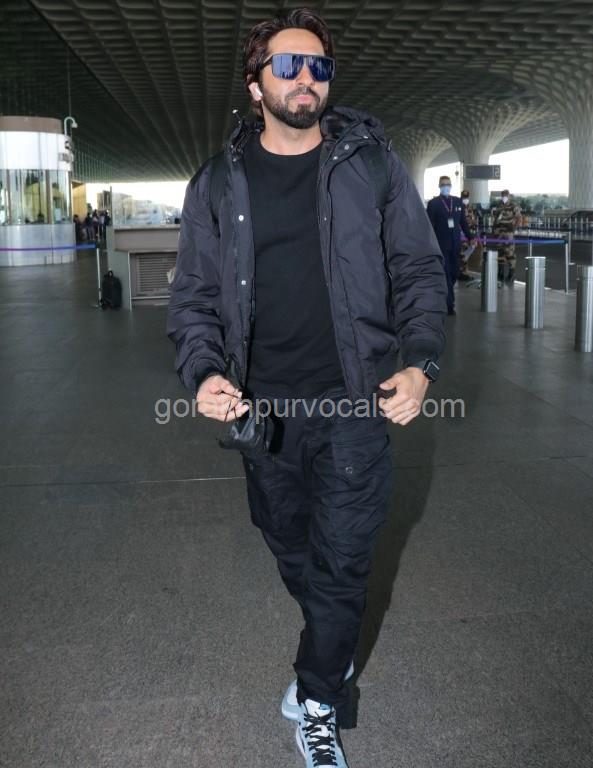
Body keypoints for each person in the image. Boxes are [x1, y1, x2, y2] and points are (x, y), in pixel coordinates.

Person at [167, 8, 447, 767]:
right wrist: (205, 372)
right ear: (254, 84)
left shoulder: (372, 167)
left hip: (355, 401)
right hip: (264, 413)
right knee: (291, 546)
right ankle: (331, 643)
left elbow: (419, 270)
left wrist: (420, 362)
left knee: (344, 562)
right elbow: (193, 297)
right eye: (287, 65)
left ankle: (318, 702)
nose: (305, 79)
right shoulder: (217, 183)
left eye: (318, 66)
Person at [426, 176, 473, 314]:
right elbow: (428, 226)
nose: (446, 187)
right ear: (439, 186)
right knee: (446, 273)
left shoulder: (457, 202)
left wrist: (470, 237)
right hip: (441, 244)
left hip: (455, 244)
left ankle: (443, 294)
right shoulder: (434, 204)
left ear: (451, 186)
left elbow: (463, 222)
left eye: (448, 184)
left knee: (454, 273)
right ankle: (449, 304)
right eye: (443, 184)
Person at [491, 189, 522, 284]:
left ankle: (511, 273)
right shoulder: (498, 206)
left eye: (505, 196)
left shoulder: (513, 206)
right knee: (500, 253)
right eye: (503, 195)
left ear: (508, 196)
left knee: (509, 253)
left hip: (508, 234)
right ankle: (500, 273)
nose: (504, 197)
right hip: (499, 233)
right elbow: (495, 219)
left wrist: (513, 228)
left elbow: (519, 218)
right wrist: (493, 230)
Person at [458, 189, 483, 281]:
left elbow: (474, 220)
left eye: (467, 197)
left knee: (470, 249)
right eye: (464, 197)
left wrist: (475, 231)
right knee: (463, 251)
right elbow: (459, 220)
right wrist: (469, 221)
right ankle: (462, 272)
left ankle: (463, 270)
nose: (465, 199)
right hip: (462, 233)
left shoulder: (470, 207)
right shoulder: (458, 207)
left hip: (471, 233)